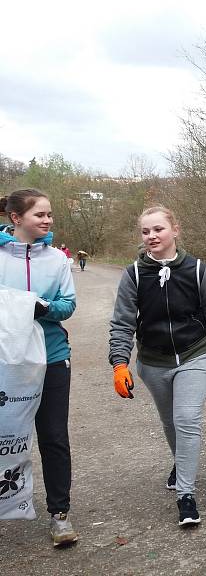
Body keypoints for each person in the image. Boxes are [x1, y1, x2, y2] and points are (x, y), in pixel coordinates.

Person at [108, 206, 206, 527]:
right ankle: (182, 462)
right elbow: (122, 323)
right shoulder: (134, 274)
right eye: (145, 231)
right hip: (153, 363)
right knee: (170, 421)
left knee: (187, 418)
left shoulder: (196, 270)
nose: (151, 236)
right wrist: (119, 363)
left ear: (175, 230)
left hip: (195, 355)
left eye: (158, 230)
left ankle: (186, 495)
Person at [0, 189, 78, 546]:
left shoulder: (58, 260)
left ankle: (59, 515)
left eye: (50, 215)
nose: (47, 221)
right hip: (6, 361)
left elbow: (68, 304)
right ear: (16, 218)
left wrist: (42, 308)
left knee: (53, 438)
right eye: (40, 215)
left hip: (50, 359)